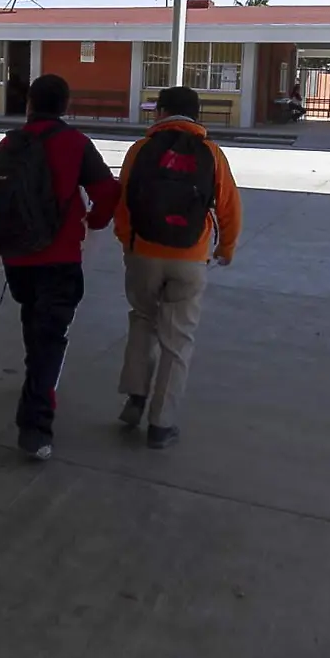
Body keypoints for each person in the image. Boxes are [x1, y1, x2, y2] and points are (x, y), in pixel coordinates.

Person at [0, 74, 119, 461]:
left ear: (29, 105)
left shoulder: (9, 143)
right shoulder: (76, 144)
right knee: (51, 339)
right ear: (65, 106)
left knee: (34, 326)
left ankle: (36, 385)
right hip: (60, 259)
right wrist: (97, 222)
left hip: (18, 259)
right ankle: (35, 427)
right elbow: (107, 192)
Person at [112, 85, 242, 450]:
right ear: (196, 115)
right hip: (189, 258)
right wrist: (227, 247)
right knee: (177, 339)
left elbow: (123, 201)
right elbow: (229, 206)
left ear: (162, 112)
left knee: (142, 320)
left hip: (144, 254)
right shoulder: (211, 153)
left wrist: (128, 242)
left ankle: (134, 399)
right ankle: (161, 424)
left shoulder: (140, 150)